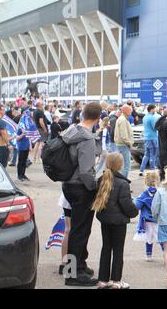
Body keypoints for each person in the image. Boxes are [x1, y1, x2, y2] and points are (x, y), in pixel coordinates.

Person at [62, 102, 102, 287]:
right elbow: (86, 171)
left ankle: (80, 265)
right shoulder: (86, 138)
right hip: (81, 187)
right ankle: (73, 274)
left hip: (68, 184)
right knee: (80, 231)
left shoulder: (72, 130)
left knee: (78, 229)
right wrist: (95, 187)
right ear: (98, 117)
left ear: (82, 114)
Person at [92, 152, 138, 289]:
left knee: (106, 248)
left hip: (105, 220)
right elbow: (127, 205)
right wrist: (135, 211)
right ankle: (116, 281)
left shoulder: (102, 179)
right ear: (120, 165)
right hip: (119, 222)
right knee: (118, 250)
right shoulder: (123, 183)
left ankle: (102, 280)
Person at [134, 170, 160, 261]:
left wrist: (133, 200)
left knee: (148, 239)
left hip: (147, 221)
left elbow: (137, 205)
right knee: (161, 238)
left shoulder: (144, 195)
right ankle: (166, 254)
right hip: (158, 220)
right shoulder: (160, 193)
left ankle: (149, 255)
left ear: (145, 181)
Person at [140, 105, 160, 176]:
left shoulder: (145, 117)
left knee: (146, 154)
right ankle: (152, 170)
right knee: (153, 154)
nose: (156, 110)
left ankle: (141, 170)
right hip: (152, 137)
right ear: (152, 109)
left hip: (146, 137)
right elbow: (155, 128)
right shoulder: (152, 117)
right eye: (155, 108)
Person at [115, 105, 134, 178]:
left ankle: (122, 182)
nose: (131, 112)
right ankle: (123, 183)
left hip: (122, 145)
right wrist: (129, 144)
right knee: (126, 165)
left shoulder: (123, 119)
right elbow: (124, 135)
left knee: (123, 165)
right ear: (125, 111)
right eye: (130, 110)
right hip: (124, 145)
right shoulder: (123, 120)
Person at [58, 193, 72, 276]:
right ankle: (72, 265)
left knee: (67, 230)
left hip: (67, 196)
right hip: (76, 197)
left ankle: (63, 263)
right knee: (73, 231)